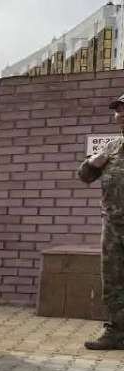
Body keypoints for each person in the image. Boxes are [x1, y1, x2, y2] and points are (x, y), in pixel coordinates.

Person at [77, 95, 124, 351]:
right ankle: (116, 332)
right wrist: (93, 162)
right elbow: (84, 176)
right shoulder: (112, 146)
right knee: (113, 280)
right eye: (117, 111)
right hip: (114, 226)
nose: (120, 115)